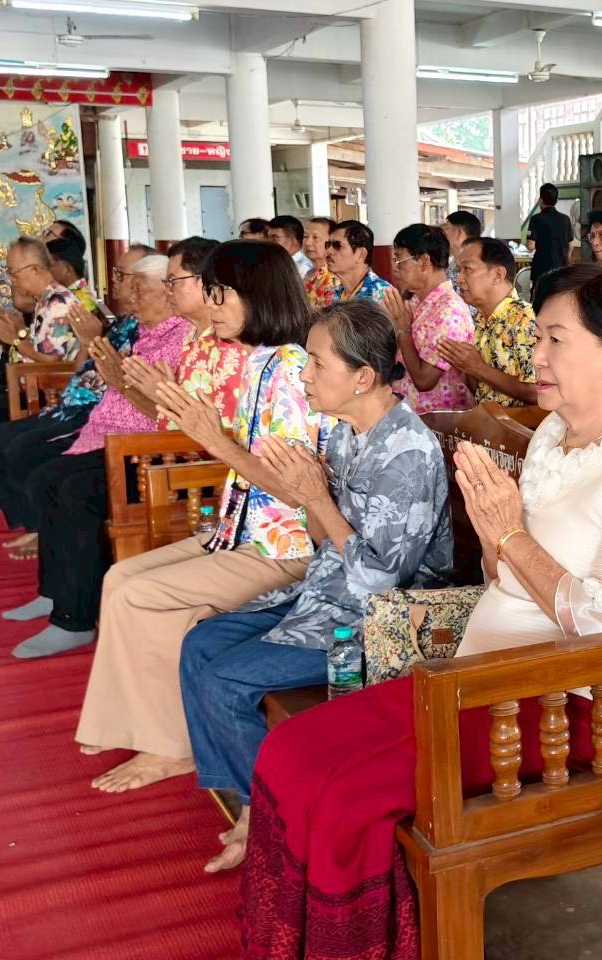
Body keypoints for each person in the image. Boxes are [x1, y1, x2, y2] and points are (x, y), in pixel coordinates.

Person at [237, 263, 602, 958]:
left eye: (555, 339)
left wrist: (509, 533)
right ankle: (285, 940)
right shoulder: (553, 432)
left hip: (564, 704)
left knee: (345, 796)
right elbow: (503, 577)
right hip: (480, 677)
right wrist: (492, 536)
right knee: (291, 750)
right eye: (537, 337)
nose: (535, 356)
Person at [179, 300, 454, 872]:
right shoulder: (348, 432)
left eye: (317, 363)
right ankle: (257, 802)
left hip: (379, 622)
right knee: (199, 644)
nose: (304, 375)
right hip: (325, 592)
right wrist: (306, 492)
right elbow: (322, 532)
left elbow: (380, 582)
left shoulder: (407, 452)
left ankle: (269, 817)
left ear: (363, 378)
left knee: (225, 681)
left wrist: (316, 498)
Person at [73, 240, 325, 792]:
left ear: (256, 295)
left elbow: (297, 491)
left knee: (140, 596)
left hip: (284, 546)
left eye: (220, 294)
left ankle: (171, 747)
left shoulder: (289, 369)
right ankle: (130, 722)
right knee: (120, 578)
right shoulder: (261, 361)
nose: (210, 307)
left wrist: (214, 438)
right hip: (242, 529)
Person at [7, 255, 195, 658]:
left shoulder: (183, 337)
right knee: (46, 477)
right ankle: (54, 592)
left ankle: (73, 620)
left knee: (74, 489)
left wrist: (119, 380)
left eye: (141, 288)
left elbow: (167, 414)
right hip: (113, 439)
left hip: (149, 453)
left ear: (169, 293)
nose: (132, 296)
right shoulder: (145, 332)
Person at [0, 245, 152, 561]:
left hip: (87, 408)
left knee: (24, 450)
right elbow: (82, 367)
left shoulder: (63, 304)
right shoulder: (124, 323)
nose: (115, 281)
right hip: (70, 398)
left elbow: (59, 365)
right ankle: (32, 524)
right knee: (5, 440)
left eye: (123, 275)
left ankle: (38, 527)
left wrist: (16, 338)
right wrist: (90, 343)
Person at [130, 236, 249, 434]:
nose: (167, 291)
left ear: (206, 280)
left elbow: (226, 433)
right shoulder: (191, 334)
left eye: (173, 281)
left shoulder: (231, 343)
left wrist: (166, 396)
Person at [381, 224, 475, 413]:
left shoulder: (450, 312)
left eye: (399, 260)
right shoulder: (416, 301)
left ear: (424, 262)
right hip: (408, 413)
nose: (395, 268)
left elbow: (424, 381)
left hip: (437, 421)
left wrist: (404, 331)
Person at [0, 237, 82, 422]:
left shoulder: (59, 303)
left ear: (35, 269)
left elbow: (50, 360)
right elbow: (40, 347)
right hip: (29, 385)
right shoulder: (45, 300)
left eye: (13, 272)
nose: (11, 280)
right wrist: (17, 329)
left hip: (46, 394)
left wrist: (14, 339)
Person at [439, 236, 537, 407]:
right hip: (487, 420)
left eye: (468, 269)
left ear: (498, 275)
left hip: (517, 423)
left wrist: (477, 367)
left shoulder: (525, 319)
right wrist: (465, 365)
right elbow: (481, 391)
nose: (459, 279)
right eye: (459, 270)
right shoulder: (480, 319)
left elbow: (536, 392)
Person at [327, 220, 393, 305]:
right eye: (328, 245)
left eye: (337, 245)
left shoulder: (381, 295)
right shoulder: (335, 293)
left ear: (361, 254)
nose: (329, 251)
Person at [526, 182, 573, 282]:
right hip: (561, 270)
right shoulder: (565, 219)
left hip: (542, 270)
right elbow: (570, 247)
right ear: (556, 200)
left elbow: (530, 246)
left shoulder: (536, 219)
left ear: (541, 200)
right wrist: (565, 264)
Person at [441, 210, 481, 290]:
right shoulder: (452, 264)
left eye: (447, 229)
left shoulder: (479, 265)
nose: (443, 234)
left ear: (459, 233)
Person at [303, 216, 338, 308]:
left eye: (315, 237)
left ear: (331, 243)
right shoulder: (309, 274)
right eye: (305, 236)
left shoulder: (336, 277)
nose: (308, 243)